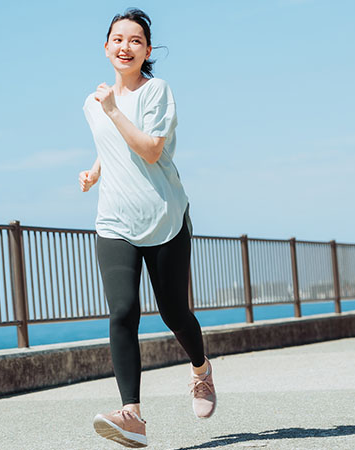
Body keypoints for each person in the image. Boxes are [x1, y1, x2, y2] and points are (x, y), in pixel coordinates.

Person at [79, 8, 216, 448]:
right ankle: (132, 415)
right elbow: (111, 142)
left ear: (148, 50)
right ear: (106, 47)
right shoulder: (94, 103)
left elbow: (152, 150)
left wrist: (114, 109)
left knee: (174, 311)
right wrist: (96, 170)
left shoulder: (157, 92)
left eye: (135, 40)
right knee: (122, 312)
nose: (125, 46)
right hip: (114, 221)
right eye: (118, 39)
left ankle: (201, 371)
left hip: (164, 217)